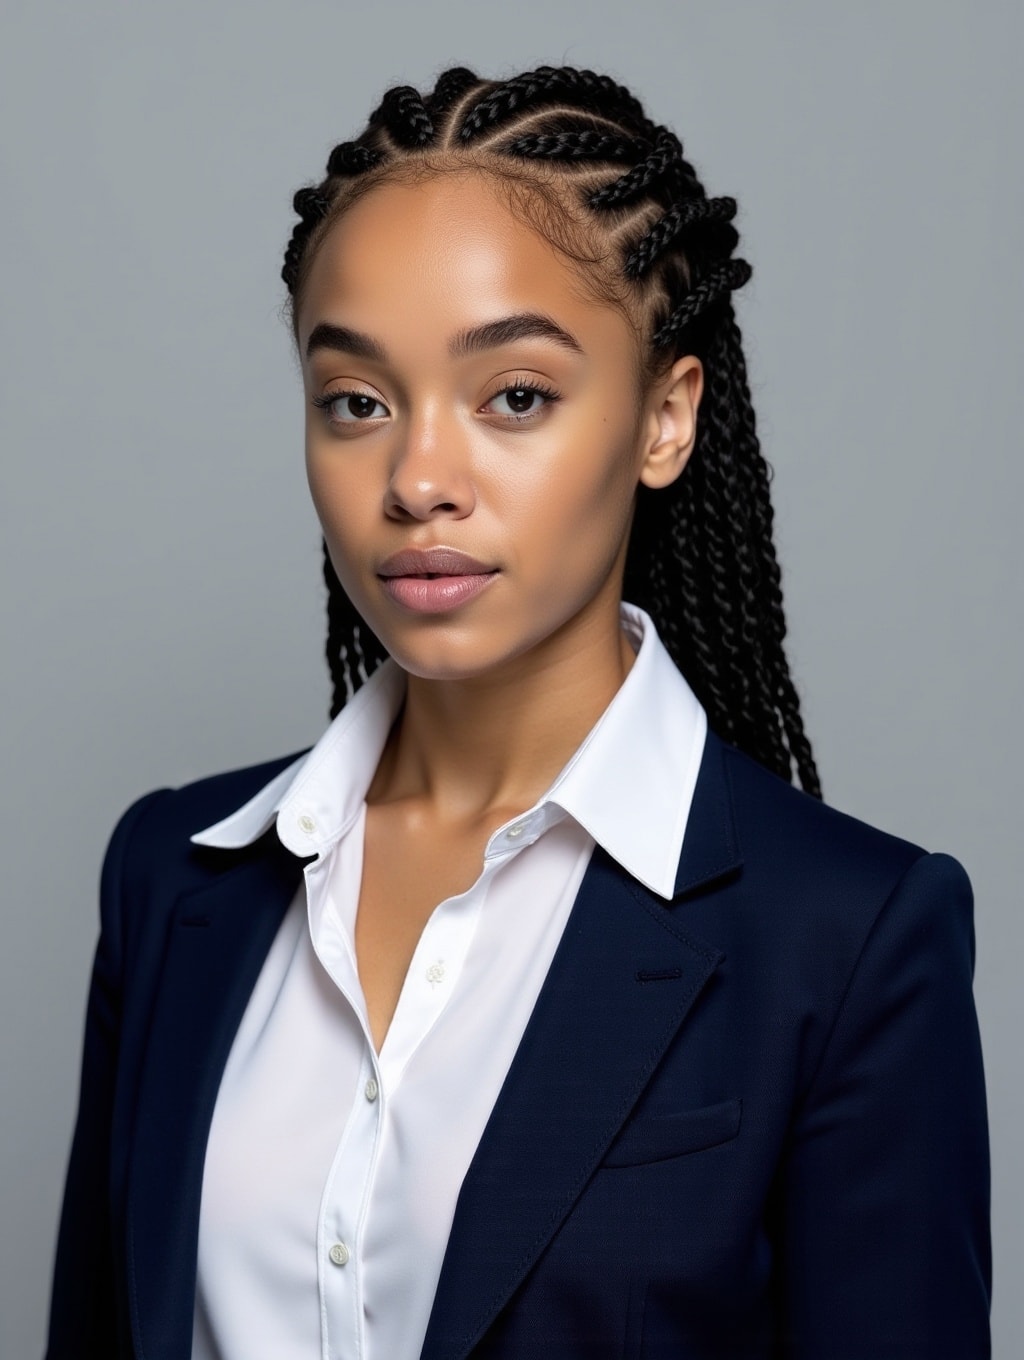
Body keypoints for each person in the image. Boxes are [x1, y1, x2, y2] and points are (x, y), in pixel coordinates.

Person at [45, 65, 991, 1359]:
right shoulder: (174, 876)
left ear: (666, 417)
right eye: (357, 403)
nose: (419, 478)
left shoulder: (848, 939)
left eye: (516, 398)